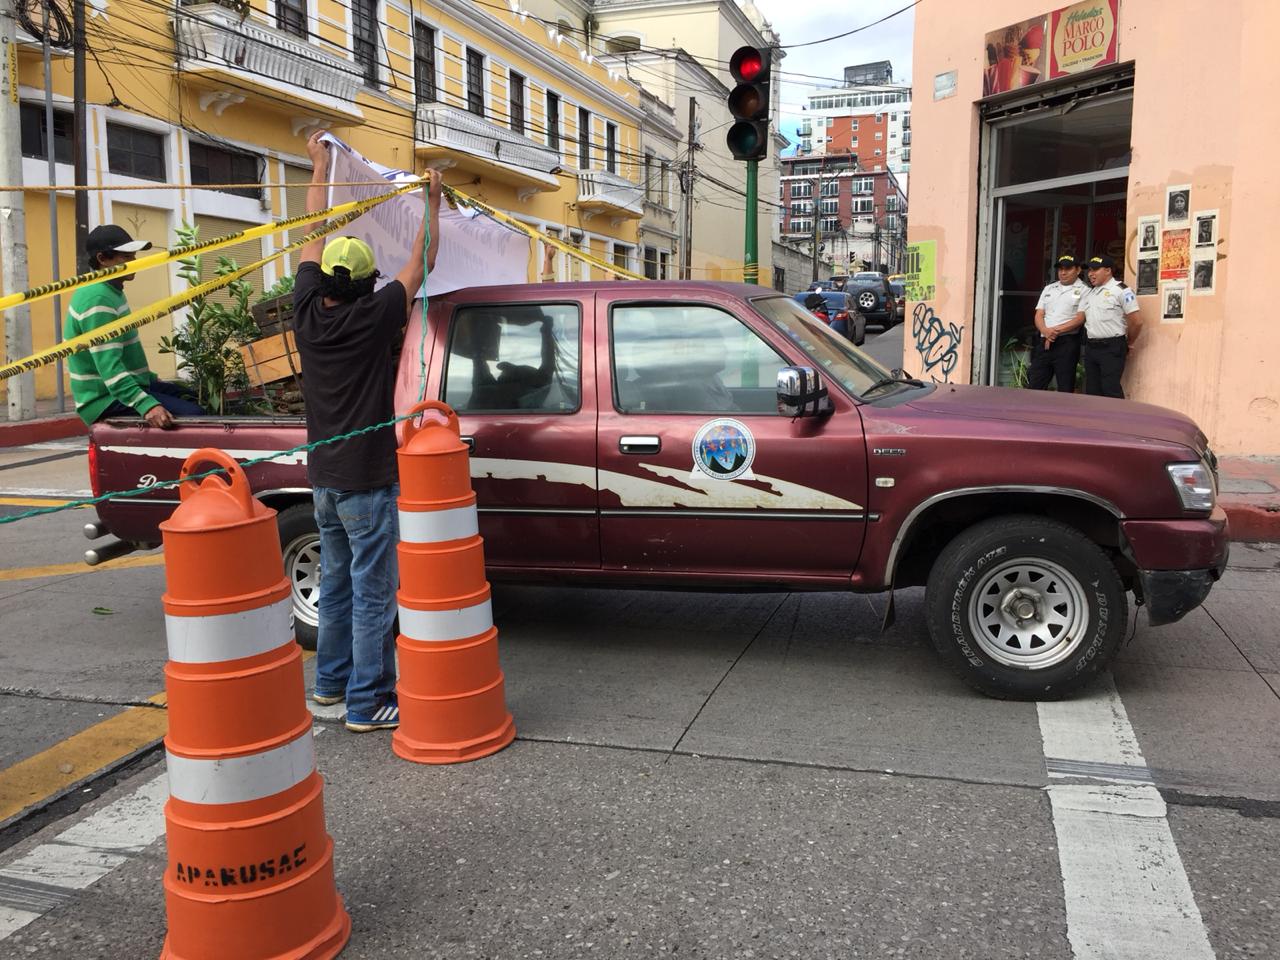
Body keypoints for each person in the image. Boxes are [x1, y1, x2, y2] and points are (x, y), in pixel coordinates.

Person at [293, 129, 442, 733]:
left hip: (325, 480)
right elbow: (423, 259)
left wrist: (320, 164)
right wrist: (432, 200)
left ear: (325, 279)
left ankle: (329, 688)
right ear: (364, 283)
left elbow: (312, 229)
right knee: (373, 592)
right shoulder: (378, 314)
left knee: (336, 586)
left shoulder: (305, 311)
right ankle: (367, 702)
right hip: (367, 482)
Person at [64, 225, 205, 428]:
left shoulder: (111, 291)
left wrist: (151, 380)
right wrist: (146, 405)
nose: (134, 262)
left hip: (125, 385)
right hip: (103, 397)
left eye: (133, 256)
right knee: (195, 416)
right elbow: (109, 367)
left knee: (191, 396)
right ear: (103, 259)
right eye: (126, 257)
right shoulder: (97, 299)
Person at [1069, 254, 1142, 399]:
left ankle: (1118, 421)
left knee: (1110, 389)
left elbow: (1137, 321)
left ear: (1108, 270)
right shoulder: (1090, 293)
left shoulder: (1122, 290)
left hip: (1112, 346)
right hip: (1091, 347)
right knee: (1092, 391)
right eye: (1089, 270)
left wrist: (1130, 342)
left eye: (1095, 270)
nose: (1090, 274)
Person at [1027, 254, 1086, 393]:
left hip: (1066, 343)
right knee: (1035, 382)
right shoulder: (1049, 288)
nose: (1063, 272)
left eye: (1067, 269)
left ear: (1078, 270)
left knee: (1065, 386)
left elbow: (1079, 319)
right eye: (1060, 269)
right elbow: (1039, 314)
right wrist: (1045, 331)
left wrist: (1053, 332)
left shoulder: (1085, 290)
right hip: (1044, 342)